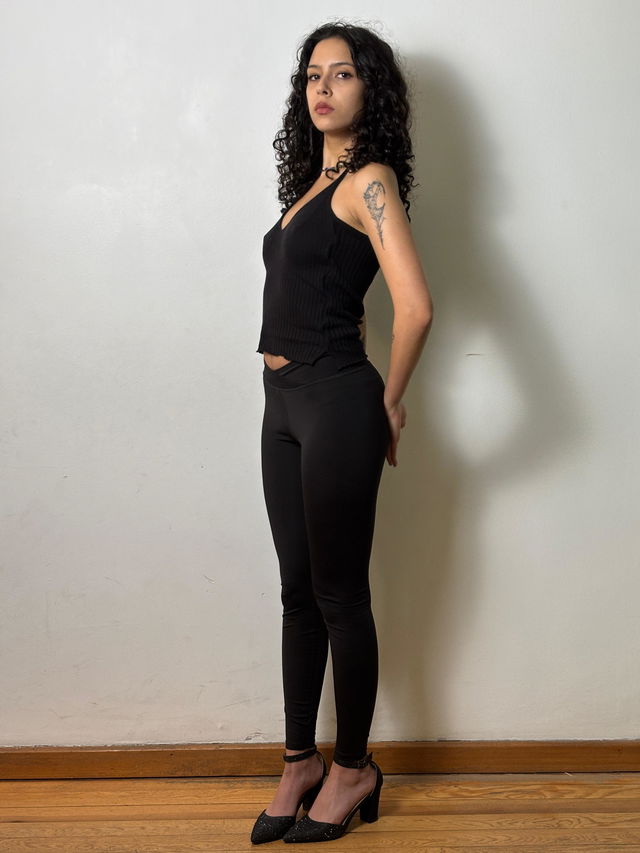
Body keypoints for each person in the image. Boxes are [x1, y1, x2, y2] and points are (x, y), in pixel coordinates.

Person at [251, 21, 433, 845]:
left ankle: (354, 767)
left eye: (343, 73)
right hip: (281, 404)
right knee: (298, 592)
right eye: (313, 75)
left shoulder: (369, 181)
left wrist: (388, 403)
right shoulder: (309, 185)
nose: (323, 88)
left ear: (372, 89)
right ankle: (301, 761)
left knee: (339, 595)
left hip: (335, 402)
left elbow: (415, 306)